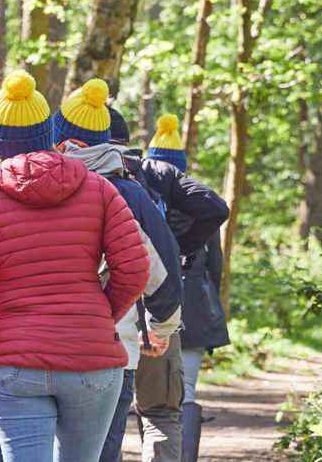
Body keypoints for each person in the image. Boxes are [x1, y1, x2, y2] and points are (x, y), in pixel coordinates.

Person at [0, 70, 151, 462]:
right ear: (48, 133)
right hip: (92, 358)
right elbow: (134, 268)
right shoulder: (100, 190)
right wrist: (99, 315)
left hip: (14, 361)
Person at [50, 83, 183, 462]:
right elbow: (164, 272)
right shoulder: (130, 193)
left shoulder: (31, 185)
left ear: (60, 141)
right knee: (99, 453)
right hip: (112, 347)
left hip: (37, 346)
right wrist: (159, 329)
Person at [108, 109, 229, 462]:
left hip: (109, 309)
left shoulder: (85, 177)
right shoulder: (156, 174)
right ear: (129, 143)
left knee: (101, 414)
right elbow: (214, 209)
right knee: (162, 411)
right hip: (162, 311)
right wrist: (178, 248)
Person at [145, 114, 230, 462]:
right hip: (196, 307)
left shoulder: (143, 200)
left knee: (151, 395)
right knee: (185, 391)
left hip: (152, 304)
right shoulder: (200, 203)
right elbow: (216, 268)